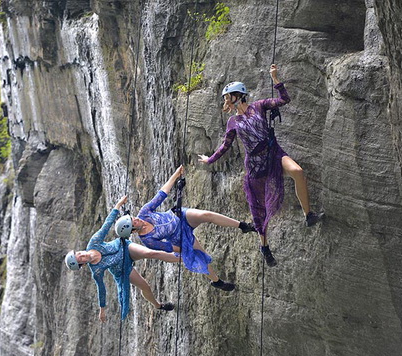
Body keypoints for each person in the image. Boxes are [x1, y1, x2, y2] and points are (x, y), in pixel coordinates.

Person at [198, 64, 323, 266]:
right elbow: (225, 146)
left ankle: (308, 215)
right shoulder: (233, 122)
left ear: (237, 95)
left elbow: (284, 100)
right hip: (256, 166)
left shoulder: (259, 106)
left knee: (298, 172)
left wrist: (275, 79)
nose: (225, 101)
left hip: (273, 153)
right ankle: (264, 247)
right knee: (259, 209)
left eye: (227, 97)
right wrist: (209, 159)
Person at [121, 165, 255, 291]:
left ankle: (243, 226)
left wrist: (176, 174)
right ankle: (217, 282)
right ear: (133, 230)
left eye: (133, 217)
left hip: (180, 216)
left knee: (206, 215)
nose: (136, 219)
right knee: (201, 257)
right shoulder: (148, 240)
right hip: (179, 238)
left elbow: (162, 194)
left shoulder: (144, 213)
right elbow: (170, 248)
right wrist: (187, 251)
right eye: (134, 222)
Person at [64, 195, 180, 322]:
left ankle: (182, 257)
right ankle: (158, 305)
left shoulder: (94, 242)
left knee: (151, 253)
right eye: (80, 259)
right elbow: (101, 289)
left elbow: (107, 225)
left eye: (79, 253)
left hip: (125, 248)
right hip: (123, 270)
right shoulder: (96, 270)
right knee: (145, 287)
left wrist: (118, 205)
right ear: (83, 265)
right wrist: (102, 310)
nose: (82, 256)